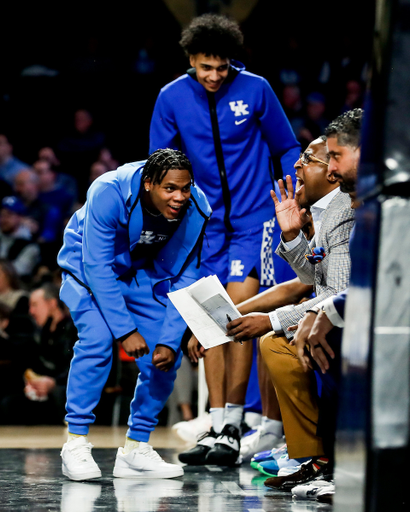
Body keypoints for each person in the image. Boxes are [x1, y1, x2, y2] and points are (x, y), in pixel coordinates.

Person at [150, 13, 301, 466]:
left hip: (255, 222)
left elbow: (287, 146)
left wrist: (292, 192)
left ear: (232, 62)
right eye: (204, 67)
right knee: (204, 320)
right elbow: (158, 164)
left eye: (221, 67)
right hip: (202, 227)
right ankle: (216, 422)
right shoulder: (171, 97)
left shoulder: (256, 89)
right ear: (190, 62)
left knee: (236, 313)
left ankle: (235, 423)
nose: (214, 76)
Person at [57, 148, 211, 481]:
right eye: (170, 189)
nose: (180, 196)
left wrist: (170, 341)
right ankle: (76, 442)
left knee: (163, 360)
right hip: (86, 270)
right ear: (148, 184)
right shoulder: (108, 191)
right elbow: (96, 265)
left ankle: (134, 449)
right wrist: (126, 331)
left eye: (185, 188)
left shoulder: (197, 207)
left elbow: (184, 278)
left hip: (141, 273)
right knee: (97, 342)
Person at [261, 109, 363, 492]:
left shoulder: (349, 207)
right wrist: (292, 237)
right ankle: (318, 456)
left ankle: (335, 462)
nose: (299, 165)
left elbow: (338, 291)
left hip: (366, 321)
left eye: (323, 158)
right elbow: (315, 276)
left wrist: (274, 318)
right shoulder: (335, 206)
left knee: (319, 340)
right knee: (283, 342)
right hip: (346, 311)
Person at [0, 283, 77, 425]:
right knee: (10, 403)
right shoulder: (41, 334)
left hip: (67, 391)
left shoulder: (74, 330)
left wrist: (53, 383)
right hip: (44, 393)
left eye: (35, 305)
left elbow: (78, 368)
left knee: (59, 395)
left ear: (52, 303)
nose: (31, 311)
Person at [0, 196, 41, 279]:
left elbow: (18, 272)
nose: (4, 219)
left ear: (20, 218)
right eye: (2, 215)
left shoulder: (29, 245)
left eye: (9, 215)